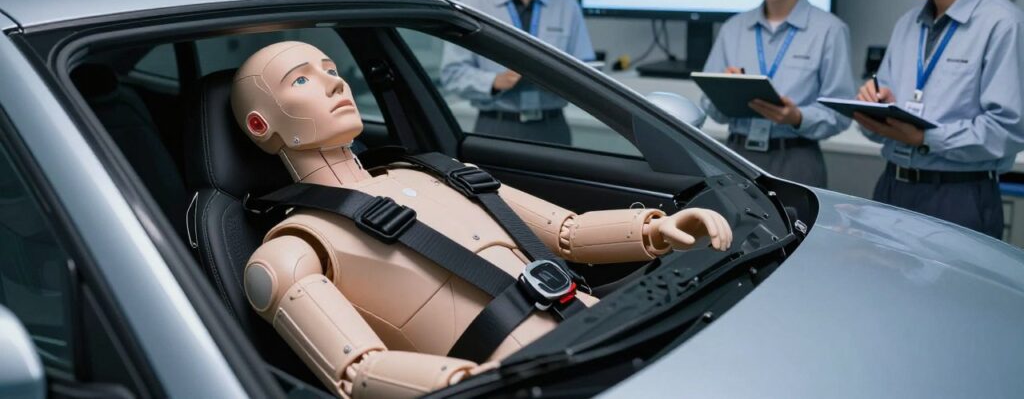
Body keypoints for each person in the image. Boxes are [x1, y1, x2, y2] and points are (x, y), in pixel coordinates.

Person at [232, 41, 733, 398]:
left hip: (618, 336)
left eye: (329, 68)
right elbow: (358, 372)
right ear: (261, 125)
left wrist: (655, 229)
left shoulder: (436, 172)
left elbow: (567, 234)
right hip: (530, 380)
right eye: (301, 79)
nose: (334, 82)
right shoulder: (293, 248)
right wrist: (468, 384)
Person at [855, 0, 1024, 239]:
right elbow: (882, 122)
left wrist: (926, 137)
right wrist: (873, 107)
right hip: (892, 186)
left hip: (959, 195)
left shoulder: (1002, 24)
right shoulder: (907, 25)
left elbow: (1008, 132)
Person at [701, 0, 855, 187]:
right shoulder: (733, 28)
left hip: (796, 156)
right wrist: (724, 93)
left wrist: (798, 117)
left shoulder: (829, 30)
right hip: (737, 156)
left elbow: (840, 115)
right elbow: (709, 106)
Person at [441, 0, 595, 145]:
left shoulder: (567, 7)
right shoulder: (472, 5)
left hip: (552, 126)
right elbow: (452, 74)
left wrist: (563, 79)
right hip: (496, 125)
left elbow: (589, 70)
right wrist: (494, 81)